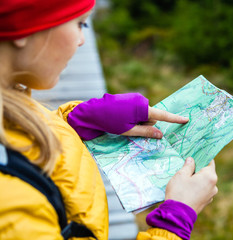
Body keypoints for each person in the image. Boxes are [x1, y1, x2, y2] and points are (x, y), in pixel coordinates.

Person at [0, 0, 218, 240]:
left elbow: (15, 140)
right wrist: (174, 223)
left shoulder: (9, 101)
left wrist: (74, 122)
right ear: (23, 25)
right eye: (80, 24)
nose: (81, 40)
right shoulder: (13, 210)